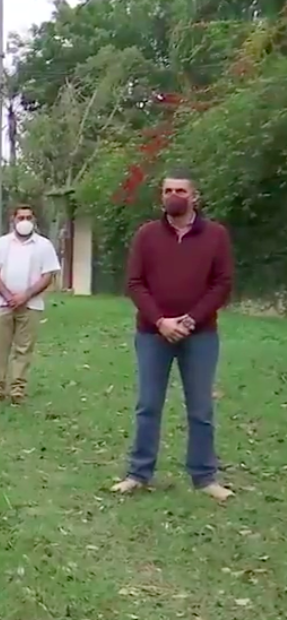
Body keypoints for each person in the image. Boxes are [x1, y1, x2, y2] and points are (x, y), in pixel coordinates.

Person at [111, 169, 235, 502]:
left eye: (180, 190)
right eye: (167, 190)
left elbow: (222, 284)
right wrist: (161, 321)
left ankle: (205, 476)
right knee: (148, 405)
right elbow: (135, 283)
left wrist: (191, 319)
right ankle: (139, 473)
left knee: (200, 409)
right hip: (152, 335)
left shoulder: (216, 236)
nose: (173, 195)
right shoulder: (146, 235)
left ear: (194, 196)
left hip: (201, 335)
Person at [0, 204, 63, 406]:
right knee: (1, 348)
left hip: (31, 306)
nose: (25, 221)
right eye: (21, 218)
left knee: (24, 349)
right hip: (2, 304)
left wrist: (25, 296)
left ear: (34, 221)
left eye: (28, 217)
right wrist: (9, 296)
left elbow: (48, 275)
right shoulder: (1, 244)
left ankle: (18, 390)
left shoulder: (43, 245)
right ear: (13, 220)